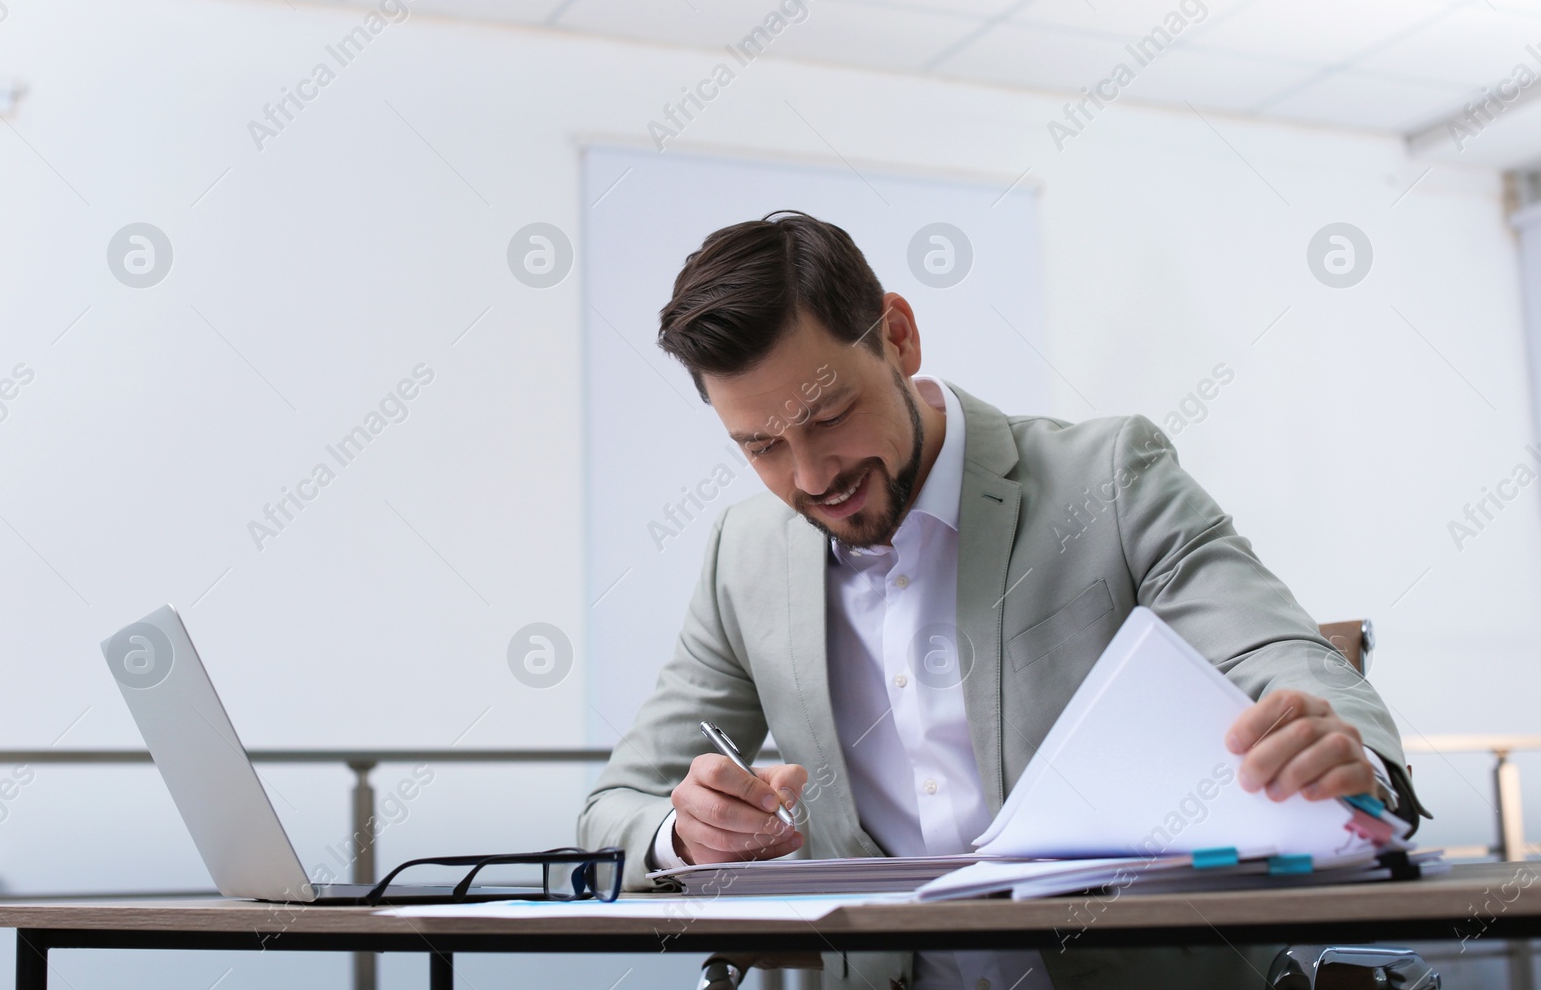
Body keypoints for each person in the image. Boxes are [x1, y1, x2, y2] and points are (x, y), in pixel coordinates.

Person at [579, 211, 1426, 989]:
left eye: (830, 414)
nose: (810, 477)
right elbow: (613, 807)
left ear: (900, 337)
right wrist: (686, 833)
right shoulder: (745, 557)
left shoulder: (1109, 478)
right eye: (761, 446)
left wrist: (1349, 752)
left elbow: (1279, 654)